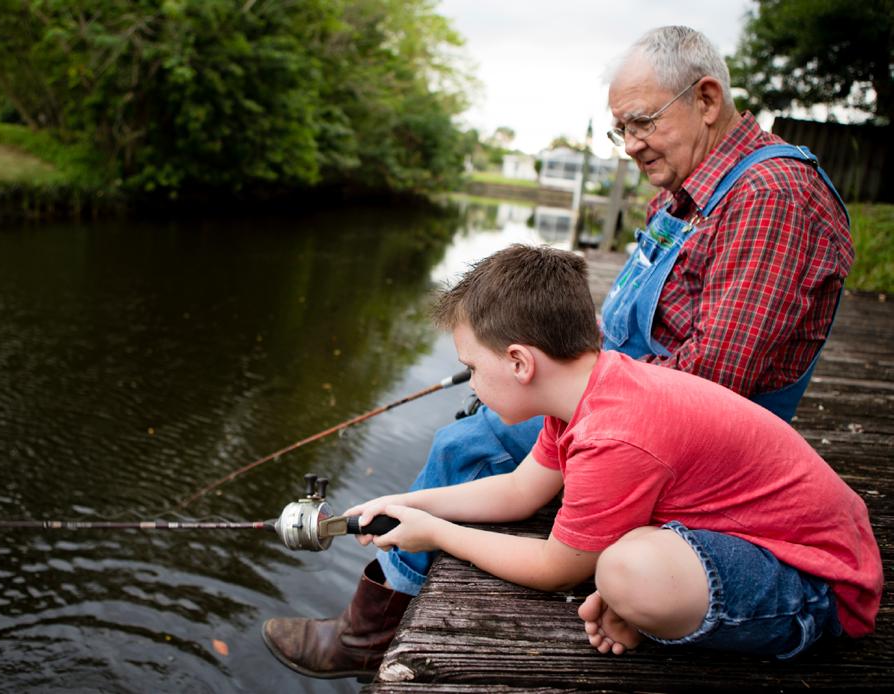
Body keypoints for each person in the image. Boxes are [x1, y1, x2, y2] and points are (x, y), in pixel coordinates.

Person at [262, 25, 854, 678]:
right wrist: (405, 506)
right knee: (478, 449)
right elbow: (525, 485)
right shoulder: (687, 195)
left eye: (641, 122)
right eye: (618, 129)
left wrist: (433, 524)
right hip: (617, 399)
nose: (629, 145)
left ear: (707, 99)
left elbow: (718, 379)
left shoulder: (768, 198)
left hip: (700, 459)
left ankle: (368, 634)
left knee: (472, 451)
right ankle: (378, 614)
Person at [360, 245, 877, 661]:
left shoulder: (614, 432)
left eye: (472, 367)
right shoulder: (588, 394)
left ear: (519, 362)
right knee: (626, 566)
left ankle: (659, 603)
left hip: (818, 582)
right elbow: (520, 490)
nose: (470, 380)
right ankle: (652, 596)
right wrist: (411, 502)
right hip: (765, 539)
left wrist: (437, 534)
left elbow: (554, 568)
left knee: (624, 571)